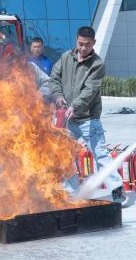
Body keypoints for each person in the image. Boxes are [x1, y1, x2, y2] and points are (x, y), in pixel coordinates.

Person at [48, 26, 126, 205]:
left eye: (87, 45)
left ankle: (117, 190)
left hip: (88, 118)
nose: (83, 48)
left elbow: (90, 90)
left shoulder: (97, 64)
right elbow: (54, 78)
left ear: (94, 44)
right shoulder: (66, 57)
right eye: (80, 44)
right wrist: (59, 97)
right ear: (76, 40)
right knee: (64, 154)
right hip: (67, 118)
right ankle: (72, 192)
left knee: (100, 154)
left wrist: (75, 106)